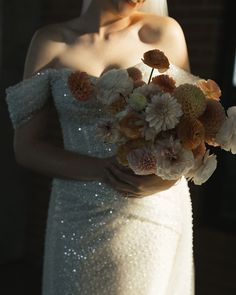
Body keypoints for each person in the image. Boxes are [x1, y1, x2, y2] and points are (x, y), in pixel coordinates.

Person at [5, 0, 197, 294]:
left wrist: (164, 180)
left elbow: (191, 132)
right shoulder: (51, 41)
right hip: (76, 210)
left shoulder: (163, 33)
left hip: (150, 209)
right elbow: (26, 146)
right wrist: (102, 169)